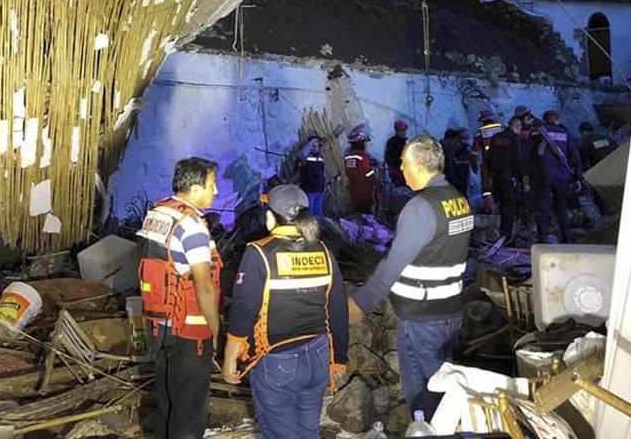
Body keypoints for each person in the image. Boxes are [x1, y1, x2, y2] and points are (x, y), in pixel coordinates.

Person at [348, 135, 473, 414]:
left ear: (418, 166)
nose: (401, 168)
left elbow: (393, 265)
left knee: (425, 398)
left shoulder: (420, 209)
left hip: (422, 317)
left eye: (404, 163)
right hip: (449, 311)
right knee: (445, 387)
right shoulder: (457, 199)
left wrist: (361, 303)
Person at [223, 185, 349, 438]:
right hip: (318, 358)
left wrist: (229, 358)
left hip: (277, 361)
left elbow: (244, 310)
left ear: (271, 215)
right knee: (308, 432)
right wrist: (339, 359)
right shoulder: (323, 251)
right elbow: (337, 309)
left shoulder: (258, 252)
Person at [137, 157, 222, 439]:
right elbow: (204, 286)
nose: (217, 191)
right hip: (188, 333)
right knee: (189, 413)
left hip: (157, 325)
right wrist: (216, 331)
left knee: (168, 404)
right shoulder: (192, 224)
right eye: (212, 185)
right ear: (195, 188)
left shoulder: (159, 213)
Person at [530, 110, 583, 244]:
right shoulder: (565, 134)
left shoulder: (537, 132)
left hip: (544, 176)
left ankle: (543, 238)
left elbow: (528, 156)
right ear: (557, 119)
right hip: (562, 177)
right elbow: (575, 157)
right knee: (561, 208)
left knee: (543, 208)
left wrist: (527, 175)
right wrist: (578, 178)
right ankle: (567, 238)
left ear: (545, 119)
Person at [484, 115, 524, 240]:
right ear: (517, 127)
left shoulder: (496, 137)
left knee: (501, 205)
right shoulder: (515, 139)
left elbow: (488, 158)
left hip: (496, 177)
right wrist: (521, 178)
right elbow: (518, 160)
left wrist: (491, 175)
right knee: (509, 207)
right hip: (509, 177)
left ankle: (501, 233)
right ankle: (506, 236)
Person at [471, 109, 504, 206]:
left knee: (487, 189)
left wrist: (474, 165)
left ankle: (489, 209)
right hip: (503, 163)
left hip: (488, 164)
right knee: (503, 187)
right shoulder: (502, 128)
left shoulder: (480, 133)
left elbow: (474, 152)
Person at [344, 128, 378, 214]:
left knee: (356, 212)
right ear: (361, 143)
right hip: (364, 190)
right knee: (366, 213)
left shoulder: (348, 157)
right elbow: (368, 173)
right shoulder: (362, 156)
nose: (366, 145)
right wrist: (376, 180)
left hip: (353, 189)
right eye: (365, 142)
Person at [298, 136, 326, 218]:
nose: (315, 147)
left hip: (319, 190)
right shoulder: (305, 157)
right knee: (309, 215)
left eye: (317, 145)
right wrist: (310, 144)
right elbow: (301, 155)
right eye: (313, 145)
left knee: (318, 215)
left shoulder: (320, 158)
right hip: (308, 190)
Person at [384, 120, 409, 187]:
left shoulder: (406, 142)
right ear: (397, 131)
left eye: (404, 130)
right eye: (401, 131)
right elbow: (388, 157)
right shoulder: (392, 142)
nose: (403, 133)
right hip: (397, 170)